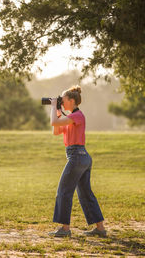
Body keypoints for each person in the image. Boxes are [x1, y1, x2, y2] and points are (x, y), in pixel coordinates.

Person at [48, 85, 106, 238]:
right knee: (85, 193)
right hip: (80, 157)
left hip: (77, 156)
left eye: (63, 99)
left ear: (71, 101)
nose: (61, 101)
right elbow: (55, 130)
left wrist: (54, 107)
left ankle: (65, 229)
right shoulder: (69, 119)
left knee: (64, 191)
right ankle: (100, 228)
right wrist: (59, 111)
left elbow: (54, 122)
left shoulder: (78, 115)